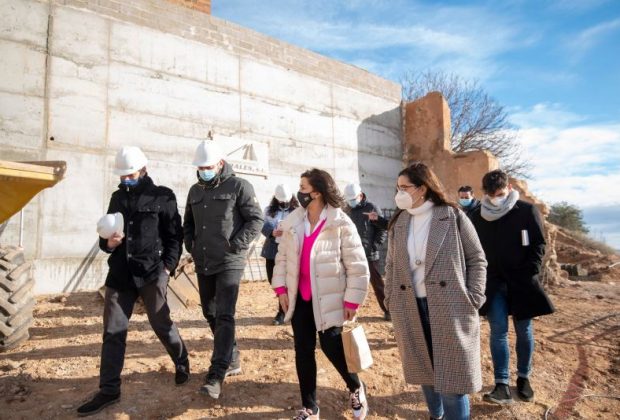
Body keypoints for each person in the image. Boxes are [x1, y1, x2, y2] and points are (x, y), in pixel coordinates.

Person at [78, 146, 188, 417]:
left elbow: (175, 237)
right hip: (120, 275)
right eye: (123, 175)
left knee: (161, 323)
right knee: (113, 332)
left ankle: (181, 359)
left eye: (131, 174)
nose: (126, 179)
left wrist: (166, 268)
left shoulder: (162, 196)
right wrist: (108, 243)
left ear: (143, 170)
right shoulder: (117, 197)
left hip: (151, 272)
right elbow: (107, 234)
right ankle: (109, 390)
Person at [384, 162, 487, 420]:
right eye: (397, 188)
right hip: (410, 306)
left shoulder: (452, 216)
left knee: (453, 383)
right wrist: (390, 299)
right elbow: (390, 264)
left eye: (404, 187)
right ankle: (435, 416)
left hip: (451, 306)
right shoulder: (399, 221)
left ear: (422, 188)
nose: (399, 192)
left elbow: (477, 259)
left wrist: (473, 297)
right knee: (425, 375)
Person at [272, 169, 370, 420]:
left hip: (330, 297)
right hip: (300, 298)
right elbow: (282, 258)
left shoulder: (340, 222)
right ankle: (310, 408)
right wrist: (281, 288)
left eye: (303, 187)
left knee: (332, 346)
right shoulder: (294, 220)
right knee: (303, 351)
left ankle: (355, 387)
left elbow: (357, 265)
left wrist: (352, 300)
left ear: (316, 192)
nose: (299, 192)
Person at [183, 140, 263, 399]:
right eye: (201, 167)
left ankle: (216, 374)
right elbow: (188, 223)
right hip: (204, 259)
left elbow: (255, 219)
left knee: (225, 314)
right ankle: (233, 357)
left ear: (220, 163)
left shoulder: (239, 186)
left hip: (230, 260)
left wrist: (236, 246)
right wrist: (191, 245)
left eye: (208, 166)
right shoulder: (195, 190)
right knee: (210, 312)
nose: (204, 170)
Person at [470, 169, 554, 404]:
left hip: (521, 281)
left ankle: (524, 378)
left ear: (508, 189)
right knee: (498, 332)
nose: (497, 198)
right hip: (493, 283)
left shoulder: (526, 211)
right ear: (485, 193)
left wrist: (529, 272)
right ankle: (501, 384)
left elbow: (538, 244)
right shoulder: (479, 215)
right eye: (492, 194)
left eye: (500, 193)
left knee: (524, 330)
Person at [344, 183, 389, 320]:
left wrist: (375, 245)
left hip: (369, 254)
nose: (351, 202)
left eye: (353, 199)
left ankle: (388, 310)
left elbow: (382, 229)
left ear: (361, 195)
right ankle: (348, 312)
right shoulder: (347, 210)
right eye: (349, 199)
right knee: (348, 283)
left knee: (377, 284)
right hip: (351, 253)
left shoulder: (371, 207)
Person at [260, 184, 299, 325]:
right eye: (281, 200)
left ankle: (283, 312)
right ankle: (286, 307)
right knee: (274, 280)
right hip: (272, 250)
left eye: (286, 199)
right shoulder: (269, 210)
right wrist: (271, 232)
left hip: (289, 250)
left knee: (288, 281)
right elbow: (262, 224)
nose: (283, 202)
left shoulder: (298, 211)